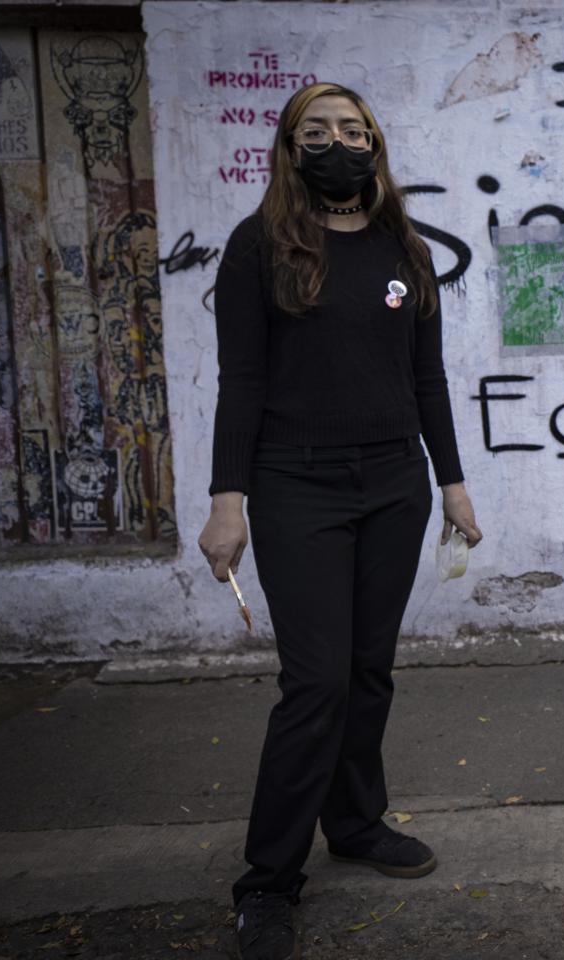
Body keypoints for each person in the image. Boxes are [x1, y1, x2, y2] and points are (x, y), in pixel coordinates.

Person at [197, 81, 483, 960]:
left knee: (367, 671)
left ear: (375, 145)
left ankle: (356, 823)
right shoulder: (259, 248)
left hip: (394, 483)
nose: (337, 142)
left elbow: (426, 375)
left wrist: (453, 482)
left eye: (353, 130)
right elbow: (241, 381)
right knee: (315, 682)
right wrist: (226, 499)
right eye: (317, 130)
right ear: (290, 147)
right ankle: (267, 882)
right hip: (297, 486)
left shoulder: (404, 245)